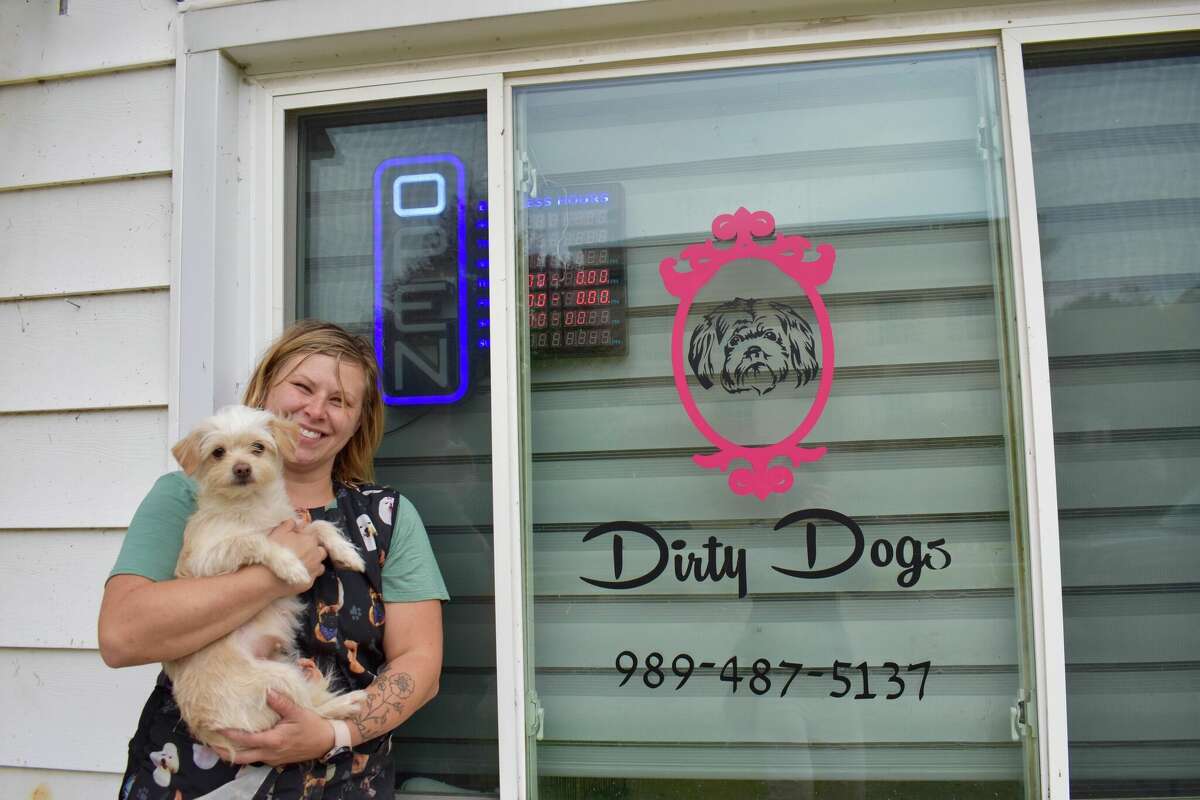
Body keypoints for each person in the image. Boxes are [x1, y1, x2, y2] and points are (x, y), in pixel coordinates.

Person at [98, 320, 449, 799]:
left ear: (358, 421)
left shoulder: (385, 517)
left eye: (340, 401)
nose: (315, 410)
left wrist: (332, 733)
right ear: (264, 390)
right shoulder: (187, 496)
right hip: (195, 776)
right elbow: (121, 636)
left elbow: (421, 662)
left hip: (343, 782)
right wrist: (272, 576)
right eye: (302, 387)